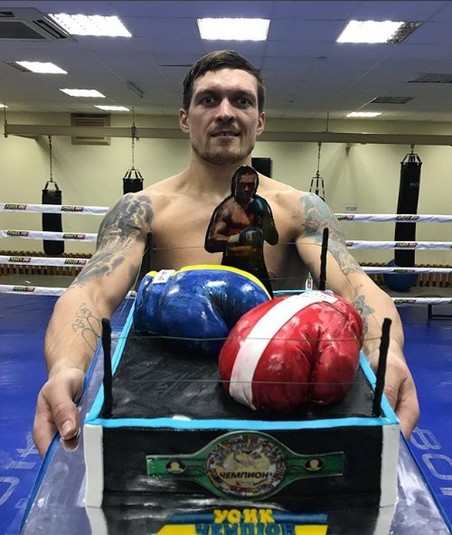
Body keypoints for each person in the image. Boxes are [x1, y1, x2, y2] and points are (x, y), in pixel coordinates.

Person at [33, 49, 419, 456]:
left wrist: (387, 355)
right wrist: (67, 367)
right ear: (185, 118)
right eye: (208, 99)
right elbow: (91, 291)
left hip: (279, 405)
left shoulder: (299, 209)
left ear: (260, 120)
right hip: (169, 408)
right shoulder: (142, 209)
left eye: (242, 100)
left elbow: (354, 284)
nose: (225, 112)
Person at [204, 164, 278, 294]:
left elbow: (273, 239)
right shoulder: (227, 209)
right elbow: (211, 241)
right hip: (233, 267)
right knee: (232, 303)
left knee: (264, 301)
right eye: (243, 185)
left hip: (257, 267)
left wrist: (265, 219)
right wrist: (239, 238)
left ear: (256, 186)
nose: (247, 189)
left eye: (251, 185)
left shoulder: (261, 205)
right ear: (235, 185)